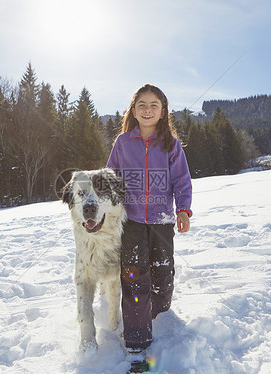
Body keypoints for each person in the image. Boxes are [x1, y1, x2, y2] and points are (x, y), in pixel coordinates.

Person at [106, 84, 192, 369]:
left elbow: (181, 179)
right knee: (133, 276)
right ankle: (137, 339)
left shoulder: (170, 144)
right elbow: (110, 178)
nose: (147, 109)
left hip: (162, 221)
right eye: (141, 104)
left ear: (163, 112)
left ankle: (158, 317)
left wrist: (183, 209)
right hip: (129, 221)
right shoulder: (122, 142)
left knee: (162, 274)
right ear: (133, 110)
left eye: (154, 105)